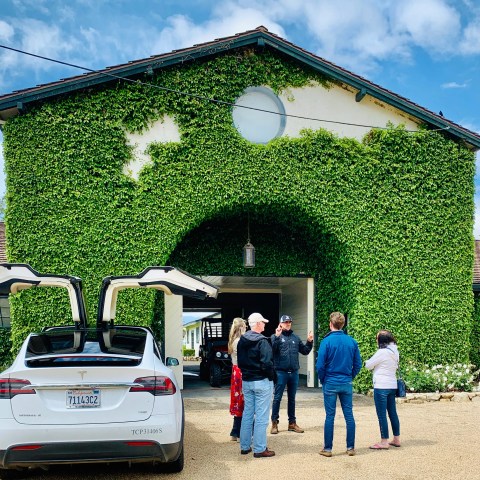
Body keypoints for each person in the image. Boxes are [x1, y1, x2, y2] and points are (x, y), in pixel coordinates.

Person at [316, 311, 362, 457]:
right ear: (343, 324)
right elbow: (358, 364)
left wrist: (323, 379)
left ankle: (328, 449)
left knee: (330, 415)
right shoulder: (351, 341)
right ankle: (350, 447)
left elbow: (320, 365)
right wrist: (350, 376)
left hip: (330, 381)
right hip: (346, 381)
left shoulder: (326, 342)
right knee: (349, 415)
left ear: (331, 324)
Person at [237, 312, 276, 458]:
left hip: (247, 380)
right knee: (261, 416)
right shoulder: (262, 341)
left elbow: (240, 362)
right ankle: (259, 448)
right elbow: (267, 363)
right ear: (258, 324)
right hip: (261, 381)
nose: (265, 325)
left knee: (248, 413)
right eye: (263, 322)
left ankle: (245, 446)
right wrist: (271, 377)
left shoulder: (242, 340)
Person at [270, 314, 314, 434]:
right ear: (280, 324)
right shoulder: (275, 337)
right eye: (285, 322)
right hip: (280, 372)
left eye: (289, 322)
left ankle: (292, 423)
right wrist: (278, 337)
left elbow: (305, 351)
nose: (288, 324)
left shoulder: (295, 338)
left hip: (294, 372)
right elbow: (272, 350)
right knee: (277, 398)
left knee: (292, 399)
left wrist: (309, 342)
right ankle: (274, 423)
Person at [365, 330, 401, 449]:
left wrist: (367, 362)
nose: (376, 340)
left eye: (377, 338)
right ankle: (396, 439)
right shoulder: (395, 351)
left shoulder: (382, 352)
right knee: (392, 413)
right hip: (392, 385)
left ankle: (384, 442)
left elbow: (368, 365)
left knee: (382, 414)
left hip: (381, 386)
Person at [228, 317, 247, 441]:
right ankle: (240, 432)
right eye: (245, 326)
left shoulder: (233, 340)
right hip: (241, 372)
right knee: (243, 402)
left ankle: (235, 432)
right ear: (241, 327)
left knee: (238, 401)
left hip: (235, 372)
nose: (246, 328)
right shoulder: (240, 341)